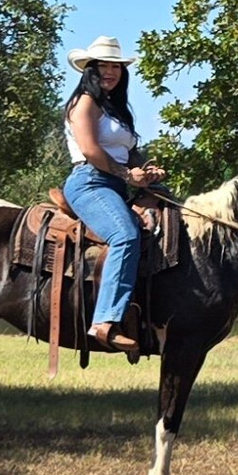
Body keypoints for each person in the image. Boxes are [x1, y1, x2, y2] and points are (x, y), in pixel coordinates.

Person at [62, 35, 166, 352]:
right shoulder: (84, 103)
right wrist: (126, 174)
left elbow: (129, 153)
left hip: (115, 185)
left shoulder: (116, 109)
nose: (110, 72)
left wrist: (147, 171)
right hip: (90, 182)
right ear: (90, 70)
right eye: (103, 66)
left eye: (116, 66)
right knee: (125, 234)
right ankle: (104, 320)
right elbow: (90, 150)